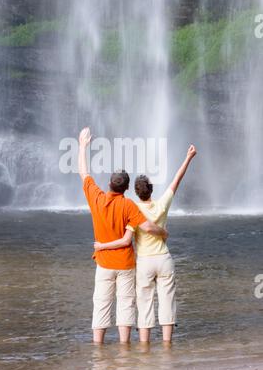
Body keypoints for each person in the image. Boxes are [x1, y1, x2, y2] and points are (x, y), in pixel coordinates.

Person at [95, 145, 197, 344]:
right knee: (167, 301)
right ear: (152, 190)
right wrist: (188, 157)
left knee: (144, 303)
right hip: (164, 258)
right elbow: (177, 179)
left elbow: (125, 236)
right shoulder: (161, 204)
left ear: (135, 191)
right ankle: (167, 344)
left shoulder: (132, 209)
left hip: (143, 262)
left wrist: (102, 246)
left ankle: (144, 346)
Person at [78, 127, 169, 344]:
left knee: (101, 303)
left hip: (104, 263)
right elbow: (147, 228)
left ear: (109, 183)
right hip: (126, 264)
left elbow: (84, 172)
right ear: (127, 188)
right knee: (126, 304)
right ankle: (124, 349)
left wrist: (82, 146)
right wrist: (163, 232)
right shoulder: (128, 205)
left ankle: (98, 348)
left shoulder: (97, 198)